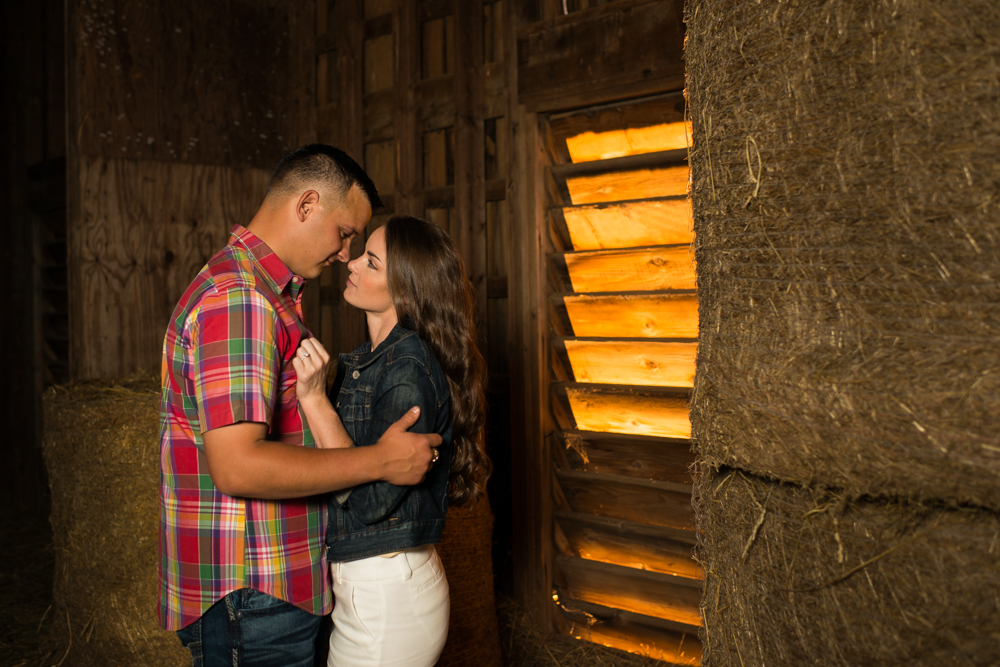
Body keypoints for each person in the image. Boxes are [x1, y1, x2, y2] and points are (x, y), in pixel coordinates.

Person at [158, 144, 441, 667]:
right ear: (307, 204)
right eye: (345, 233)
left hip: (269, 588)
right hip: (252, 590)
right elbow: (238, 466)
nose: (343, 253)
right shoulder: (240, 299)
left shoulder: (266, 294)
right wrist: (381, 460)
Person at [293, 215, 490, 667]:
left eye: (372, 263)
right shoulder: (375, 360)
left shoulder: (406, 368)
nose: (352, 263)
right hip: (376, 583)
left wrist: (314, 399)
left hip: (386, 595)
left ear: (404, 290)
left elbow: (371, 500)